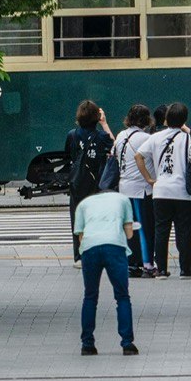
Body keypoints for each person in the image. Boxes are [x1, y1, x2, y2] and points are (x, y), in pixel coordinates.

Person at [72, 184, 140, 356]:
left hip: (90, 248)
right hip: (114, 247)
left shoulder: (84, 203)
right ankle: (127, 343)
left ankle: (87, 344)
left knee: (90, 296)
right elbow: (129, 233)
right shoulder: (122, 199)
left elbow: (80, 236)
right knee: (122, 296)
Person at [140, 102, 191, 279]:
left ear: (166, 119)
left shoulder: (155, 137)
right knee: (184, 231)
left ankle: (161, 269)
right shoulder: (189, 138)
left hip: (161, 191)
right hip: (183, 192)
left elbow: (139, 155)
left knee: (161, 231)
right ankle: (185, 270)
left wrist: (148, 178)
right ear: (184, 120)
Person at [63, 100, 113, 262]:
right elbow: (114, 146)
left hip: (77, 182)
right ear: (97, 117)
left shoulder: (72, 135)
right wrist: (104, 124)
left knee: (77, 219)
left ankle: (79, 255)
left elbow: (69, 157)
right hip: (96, 183)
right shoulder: (101, 137)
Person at [113, 103, 156, 275]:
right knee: (144, 228)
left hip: (124, 187)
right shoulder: (145, 138)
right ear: (146, 119)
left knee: (129, 227)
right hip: (141, 188)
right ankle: (146, 264)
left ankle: (130, 263)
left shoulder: (121, 135)